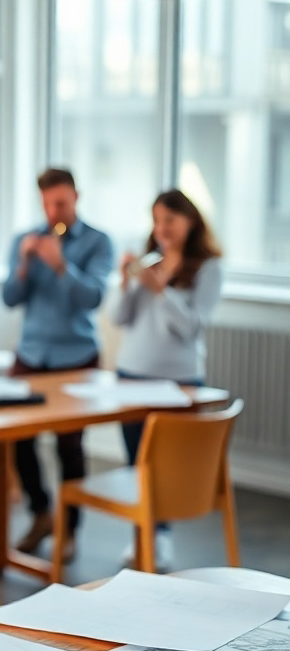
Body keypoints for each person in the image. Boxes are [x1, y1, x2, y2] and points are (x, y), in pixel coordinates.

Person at [2, 167, 113, 560]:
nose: (54, 211)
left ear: (76, 198)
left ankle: (69, 530)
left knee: (69, 446)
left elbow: (93, 298)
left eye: (61, 203)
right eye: (48, 204)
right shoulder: (26, 240)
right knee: (16, 440)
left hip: (76, 357)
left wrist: (62, 266)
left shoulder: (98, 243)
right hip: (31, 355)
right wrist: (23, 264)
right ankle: (40, 513)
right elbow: (10, 298)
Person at [113, 189, 223, 568]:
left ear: (189, 220)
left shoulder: (207, 267)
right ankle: (139, 533)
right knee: (135, 463)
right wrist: (126, 282)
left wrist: (161, 292)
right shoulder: (149, 261)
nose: (162, 229)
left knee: (166, 464)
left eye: (170, 221)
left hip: (179, 380)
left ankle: (161, 536)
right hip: (131, 374)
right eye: (157, 221)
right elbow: (119, 318)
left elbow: (192, 327)